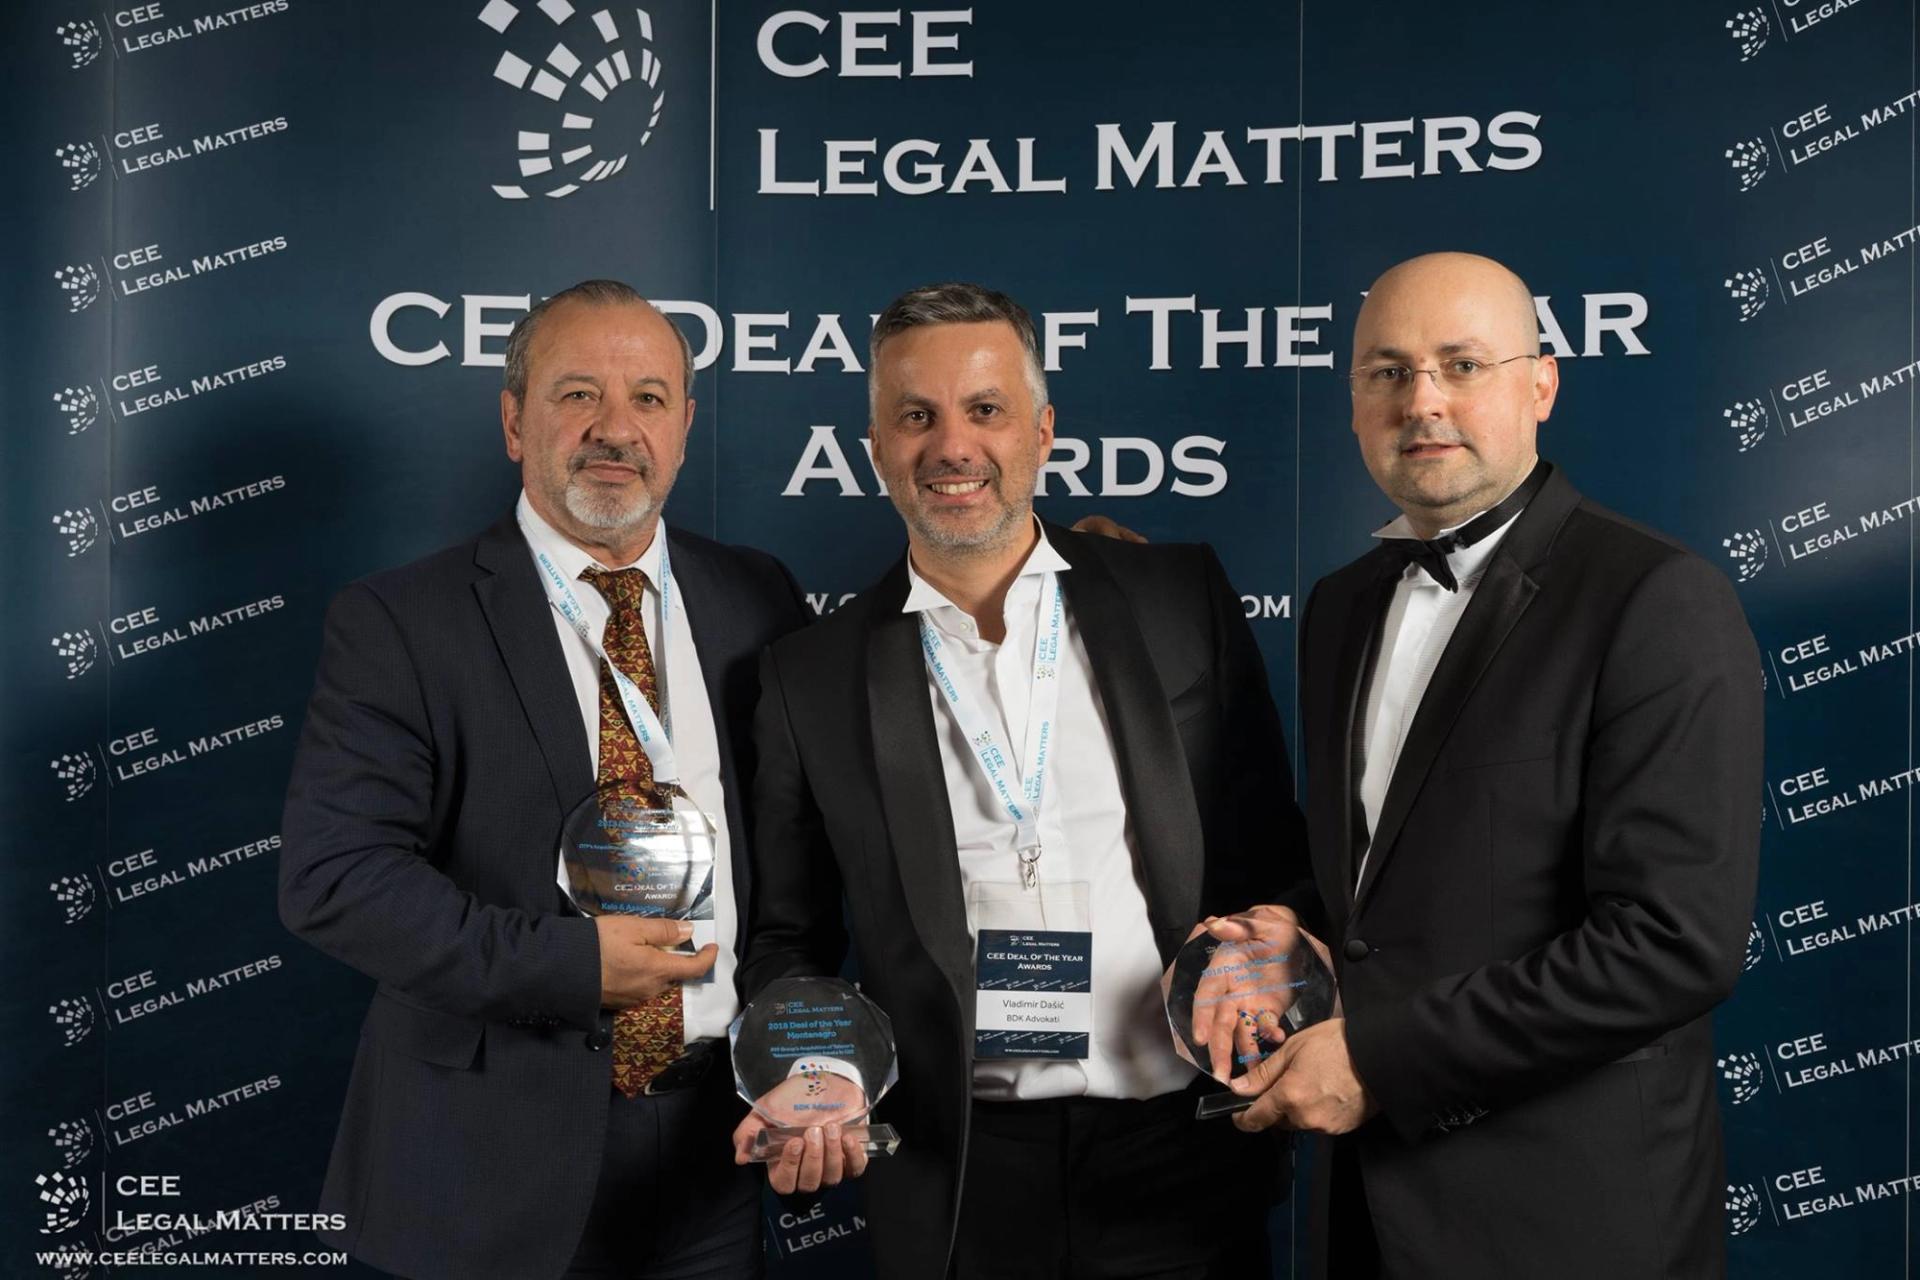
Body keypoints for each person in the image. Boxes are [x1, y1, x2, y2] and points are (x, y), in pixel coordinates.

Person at [733, 281, 1309, 1278]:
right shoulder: (808, 677)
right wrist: (810, 1063)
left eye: (986, 409)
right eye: (917, 416)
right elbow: (790, 935)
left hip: (1183, 1157)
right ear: (875, 448)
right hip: (960, 1174)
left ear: (1042, 432)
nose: (952, 446)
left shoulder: (1179, 598)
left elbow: (1274, 857)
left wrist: (1274, 948)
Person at [1225, 252, 1763, 1279]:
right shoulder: (1341, 605)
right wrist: (1293, 931)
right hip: (1366, 1213)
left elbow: (1673, 943)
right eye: (1387, 371)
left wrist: (1377, 1059)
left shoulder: (1656, 598)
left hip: (1569, 1222)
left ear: (1541, 385)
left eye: (1462, 364)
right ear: (1354, 401)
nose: (1422, 400)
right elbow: (1389, 886)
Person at [279, 280, 811, 1279]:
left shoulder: (758, 596)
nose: (616, 427)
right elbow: (336, 878)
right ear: (514, 421)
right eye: (577, 394)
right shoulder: (403, 620)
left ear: (684, 428)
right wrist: (573, 966)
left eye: (648, 398)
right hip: (484, 1158)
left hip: (718, 1155)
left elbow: (801, 862)